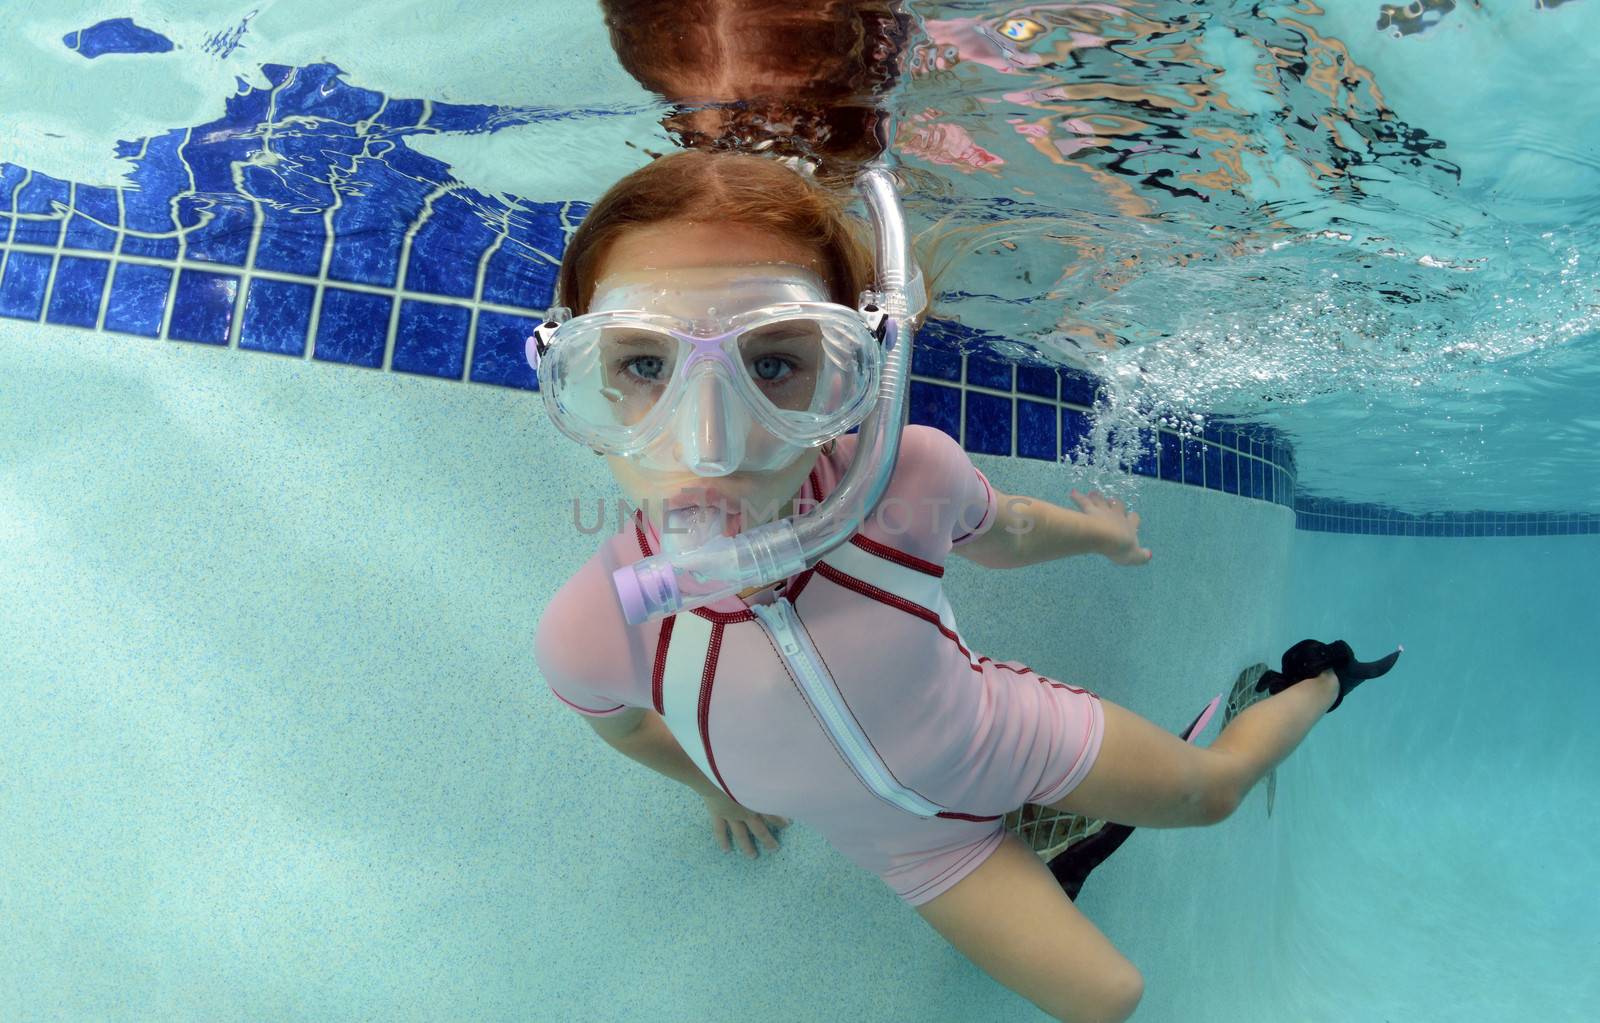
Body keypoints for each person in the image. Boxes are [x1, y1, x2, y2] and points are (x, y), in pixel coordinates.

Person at [531, 149, 1400, 1023]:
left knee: (1212, 794)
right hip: (916, 847)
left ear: (854, 369)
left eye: (773, 364)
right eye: (645, 366)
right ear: (583, 376)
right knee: (1107, 999)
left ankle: (1317, 680)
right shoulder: (600, 622)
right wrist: (712, 784)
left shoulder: (904, 481)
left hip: (1005, 738)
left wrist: (1102, 535)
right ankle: (1054, 851)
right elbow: (629, 729)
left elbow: (1007, 529)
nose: (711, 442)